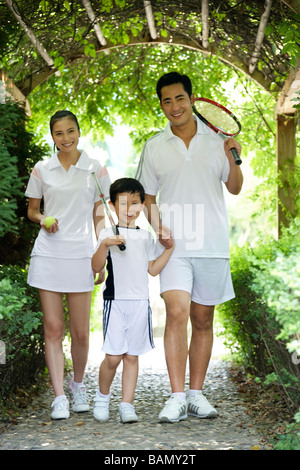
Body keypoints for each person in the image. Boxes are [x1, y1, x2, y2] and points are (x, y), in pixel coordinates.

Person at [136, 71, 243, 423]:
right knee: (177, 313)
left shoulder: (217, 141)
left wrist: (233, 155)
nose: (174, 106)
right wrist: (158, 228)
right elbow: (146, 197)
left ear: (192, 99)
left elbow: (236, 187)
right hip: (174, 245)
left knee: (202, 318)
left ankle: (196, 394)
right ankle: (177, 396)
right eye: (166, 101)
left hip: (211, 242)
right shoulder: (154, 146)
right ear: (162, 105)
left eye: (179, 98)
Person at [25, 110, 111, 419]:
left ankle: (77, 387)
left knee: (81, 333)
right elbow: (32, 211)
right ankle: (59, 396)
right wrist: (43, 219)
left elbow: (100, 215)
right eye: (59, 133)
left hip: (80, 255)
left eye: (70, 131)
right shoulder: (42, 169)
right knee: (53, 327)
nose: (66, 138)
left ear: (79, 131)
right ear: (52, 137)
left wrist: (101, 254)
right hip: (48, 253)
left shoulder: (95, 169)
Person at [92, 177, 174, 423]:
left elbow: (153, 269)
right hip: (115, 302)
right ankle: (102, 397)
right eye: (124, 204)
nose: (130, 210)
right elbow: (95, 267)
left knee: (131, 356)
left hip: (140, 303)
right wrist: (105, 245)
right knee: (113, 357)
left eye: (136, 203)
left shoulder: (146, 236)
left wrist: (169, 249)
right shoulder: (107, 233)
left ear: (142, 206)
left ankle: (126, 404)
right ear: (112, 206)